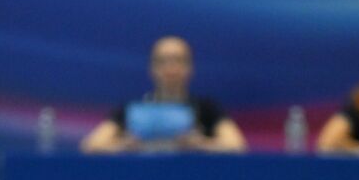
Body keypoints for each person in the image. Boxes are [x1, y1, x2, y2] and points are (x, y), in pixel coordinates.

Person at [80, 36, 246, 153]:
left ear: (190, 68)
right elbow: (91, 146)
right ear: (152, 68)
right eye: (163, 61)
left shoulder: (207, 109)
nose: (171, 68)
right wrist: (125, 146)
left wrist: (200, 144)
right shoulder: (131, 109)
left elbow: (236, 145)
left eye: (178, 60)